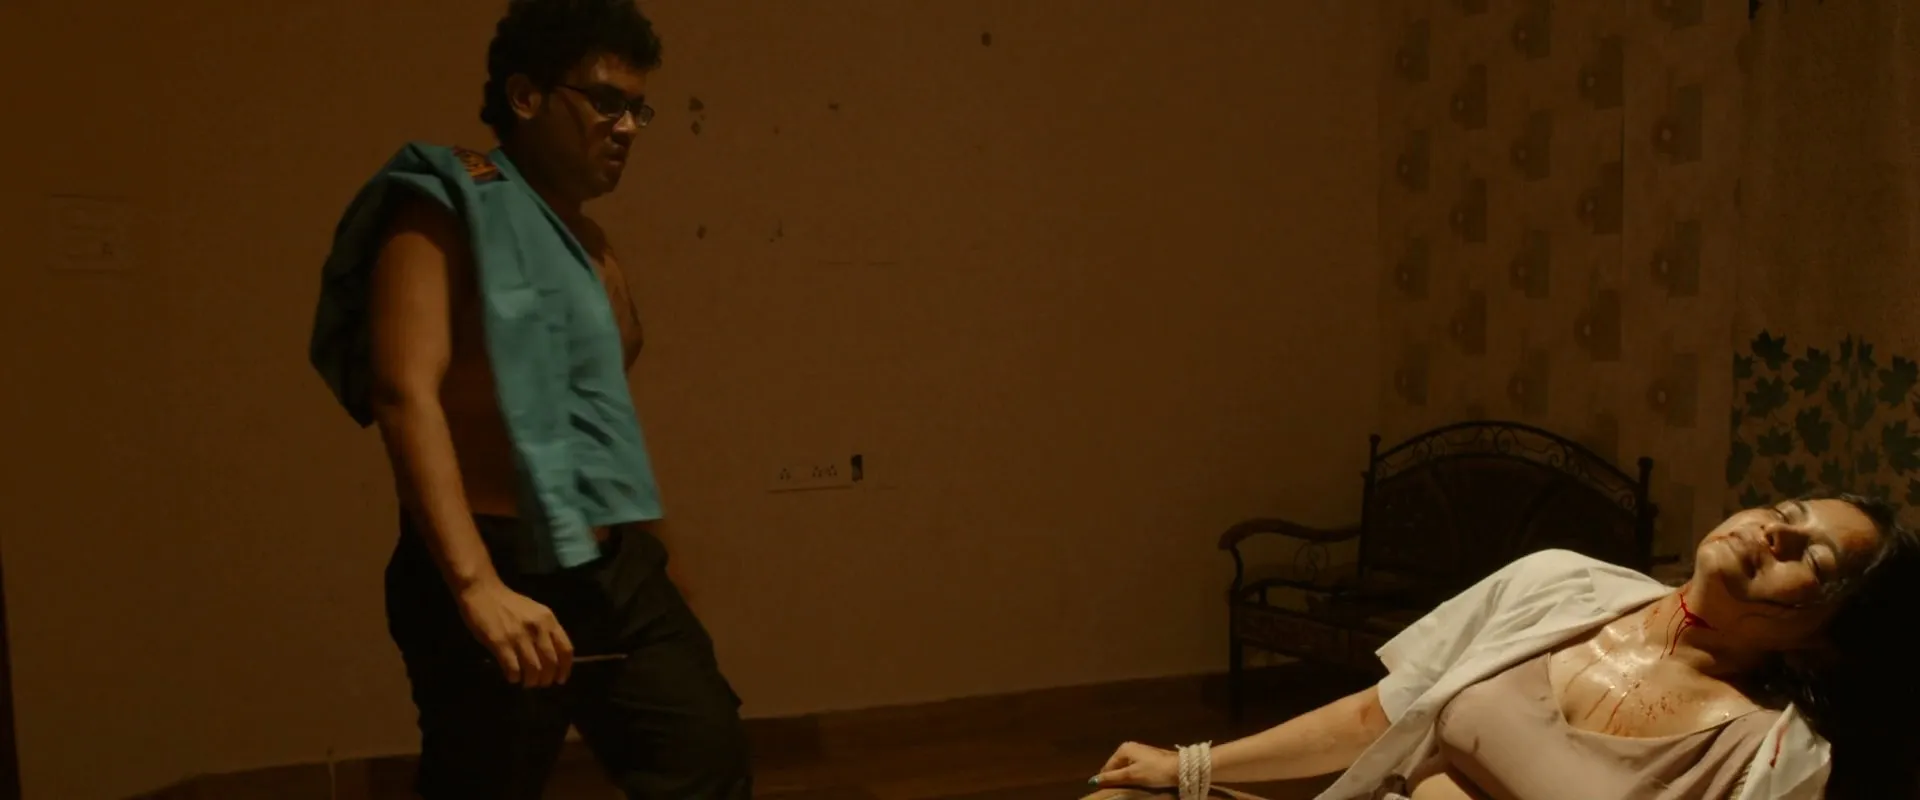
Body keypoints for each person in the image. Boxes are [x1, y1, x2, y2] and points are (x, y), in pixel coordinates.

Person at [306, 1, 752, 797]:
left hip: (614, 568)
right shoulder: (442, 207)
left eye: (638, 108)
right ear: (526, 96)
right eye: (606, 101)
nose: (628, 127)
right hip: (492, 560)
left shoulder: (591, 248)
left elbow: (597, 420)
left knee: (704, 752)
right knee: (485, 782)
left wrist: (660, 553)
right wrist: (477, 588)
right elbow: (404, 392)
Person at [1088, 493, 1920, 799]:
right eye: (1788, 511)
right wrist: (1192, 766)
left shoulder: (1771, 755)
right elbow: (1377, 715)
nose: (1776, 532)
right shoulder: (1557, 584)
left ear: (1825, 643)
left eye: (1812, 558)